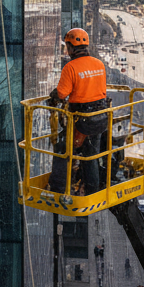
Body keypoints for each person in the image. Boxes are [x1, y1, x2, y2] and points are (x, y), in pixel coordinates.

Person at [45, 28, 109, 196]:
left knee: (62, 150)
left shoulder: (70, 67)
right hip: (101, 118)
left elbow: (61, 94)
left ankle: (57, 188)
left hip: (82, 122)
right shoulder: (99, 64)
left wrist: (53, 97)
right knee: (91, 154)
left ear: (70, 47)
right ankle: (92, 189)